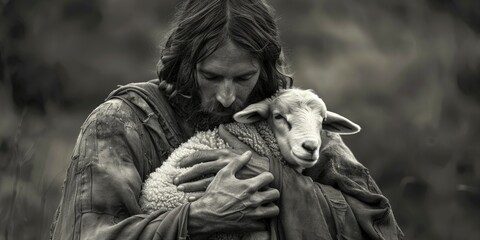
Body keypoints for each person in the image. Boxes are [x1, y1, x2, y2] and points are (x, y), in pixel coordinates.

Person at [50, 0, 403, 239]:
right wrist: (197, 217)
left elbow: (378, 225)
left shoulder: (293, 123)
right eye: (212, 76)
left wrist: (275, 176)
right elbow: (87, 234)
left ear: (265, 70)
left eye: (243, 78)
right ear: (184, 64)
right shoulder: (122, 123)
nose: (227, 97)